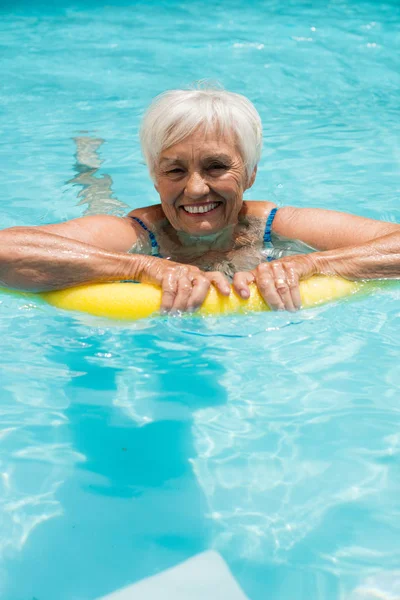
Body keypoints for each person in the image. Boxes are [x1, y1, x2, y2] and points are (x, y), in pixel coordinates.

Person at [0, 87, 399, 313]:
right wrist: (141, 268)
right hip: (140, 247)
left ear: (252, 173)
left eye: (216, 167)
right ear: (155, 180)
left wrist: (314, 262)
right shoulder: (134, 235)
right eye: (174, 171)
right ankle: (88, 163)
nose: (194, 190)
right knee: (97, 197)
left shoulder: (276, 225)